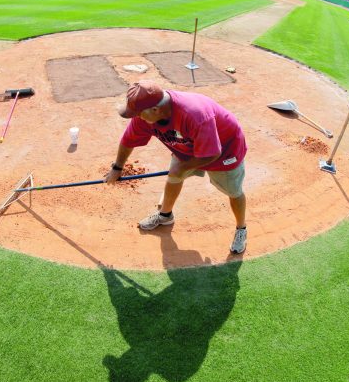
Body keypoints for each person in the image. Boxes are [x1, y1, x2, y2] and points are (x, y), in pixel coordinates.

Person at [105, 80, 248, 254]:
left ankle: (241, 229)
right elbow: (128, 140)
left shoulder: (195, 115)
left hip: (225, 150)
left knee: (233, 191)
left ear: (155, 110)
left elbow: (212, 153)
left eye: (138, 114)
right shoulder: (146, 115)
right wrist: (117, 167)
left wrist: (184, 166)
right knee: (174, 177)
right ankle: (165, 216)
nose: (137, 118)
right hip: (187, 145)